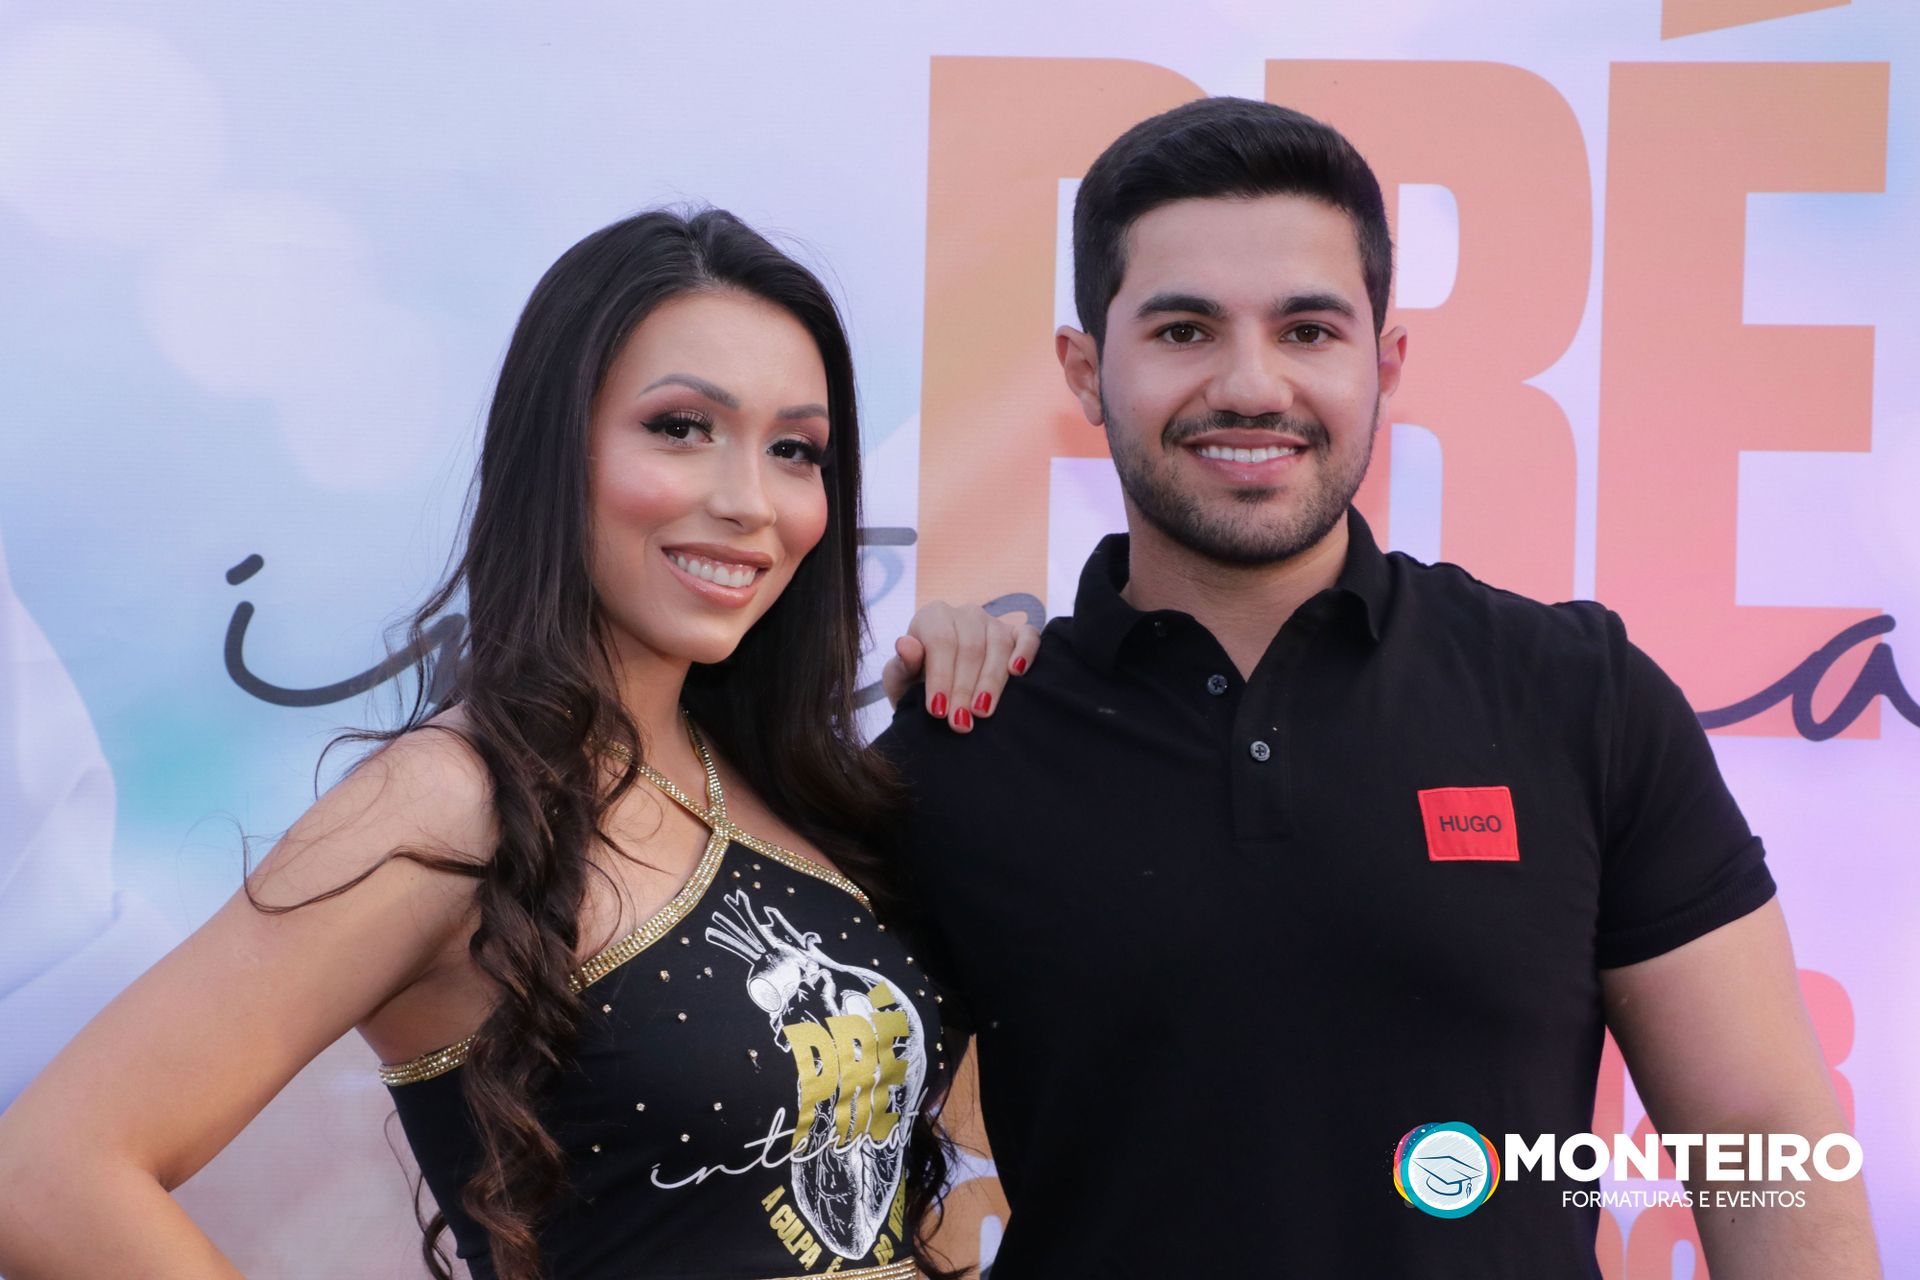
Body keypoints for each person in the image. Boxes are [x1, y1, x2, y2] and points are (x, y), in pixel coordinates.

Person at [876, 98, 1881, 1277]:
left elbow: (1761, 1136)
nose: (1252, 384)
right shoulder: (968, 740)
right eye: (1185, 330)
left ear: (1384, 364)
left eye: (1308, 330)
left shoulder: (1578, 697)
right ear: (1087, 370)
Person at [0, 208, 1025, 1280]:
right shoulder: (452, 802)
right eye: (682, 427)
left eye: (793, 450)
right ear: (556, 447)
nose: (747, 501)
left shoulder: (786, 788)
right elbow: (50, 1172)